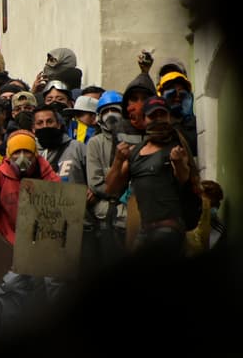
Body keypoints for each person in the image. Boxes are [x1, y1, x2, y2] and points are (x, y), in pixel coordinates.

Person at [0, 130, 60, 338]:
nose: (22, 157)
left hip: (42, 245)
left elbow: (59, 208)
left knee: (46, 290)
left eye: (27, 151)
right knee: (11, 289)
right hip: (11, 244)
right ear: (8, 154)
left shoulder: (47, 173)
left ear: (35, 153)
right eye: (17, 152)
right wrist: (7, 239)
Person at [105, 96, 201, 257]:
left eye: (161, 114)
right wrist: (118, 160)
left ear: (169, 117)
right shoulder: (135, 152)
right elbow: (110, 188)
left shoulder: (177, 147)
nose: (158, 119)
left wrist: (177, 162)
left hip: (169, 229)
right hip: (145, 230)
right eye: (152, 115)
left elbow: (183, 178)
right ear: (144, 120)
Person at [85, 90, 129, 269]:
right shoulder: (95, 143)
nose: (111, 115)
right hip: (103, 217)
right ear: (99, 116)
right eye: (106, 111)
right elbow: (95, 184)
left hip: (129, 216)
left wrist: (110, 178)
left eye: (115, 109)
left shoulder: (133, 139)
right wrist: (120, 175)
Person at [33, 104, 87, 184]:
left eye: (50, 122)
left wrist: (92, 190)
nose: (45, 126)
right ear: (33, 129)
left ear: (58, 125)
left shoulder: (78, 148)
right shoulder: (30, 153)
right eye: (40, 123)